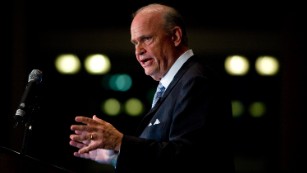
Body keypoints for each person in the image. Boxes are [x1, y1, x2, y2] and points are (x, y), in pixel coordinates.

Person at [69, 3, 235, 173]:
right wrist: (116, 156)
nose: (138, 51)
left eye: (146, 39)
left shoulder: (196, 81)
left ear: (175, 36)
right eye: (135, 43)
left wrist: (121, 142)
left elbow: (188, 159)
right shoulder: (175, 84)